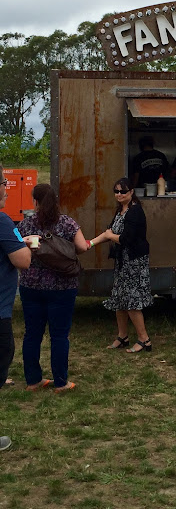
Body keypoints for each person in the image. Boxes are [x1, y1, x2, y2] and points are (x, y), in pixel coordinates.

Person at [17, 184, 89, 393]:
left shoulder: (25, 225)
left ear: (35, 202)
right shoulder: (67, 223)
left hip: (30, 286)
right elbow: (82, 248)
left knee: (32, 335)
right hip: (62, 287)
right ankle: (61, 382)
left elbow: (16, 247)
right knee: (59, 336)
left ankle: (33, 381)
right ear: (55, 201)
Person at [91, 177, 153, 353]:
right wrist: (89, 244)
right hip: (122, 262)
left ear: (131, 192)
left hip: (134, 262)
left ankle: (144, 340)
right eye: (116, 191)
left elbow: (125, 239)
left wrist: (110, 236)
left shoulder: (135, 212)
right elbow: (108, 232)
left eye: (123, 191)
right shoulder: (120, 210)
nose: (119, 194)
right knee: (119, 300)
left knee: (132, 302)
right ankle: (122, 336)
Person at [0, 166, 31, 450]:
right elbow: (22, 260)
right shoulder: (3, 221)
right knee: (3, 354)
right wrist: (28, 244)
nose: (7, 188)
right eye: (4, 183)